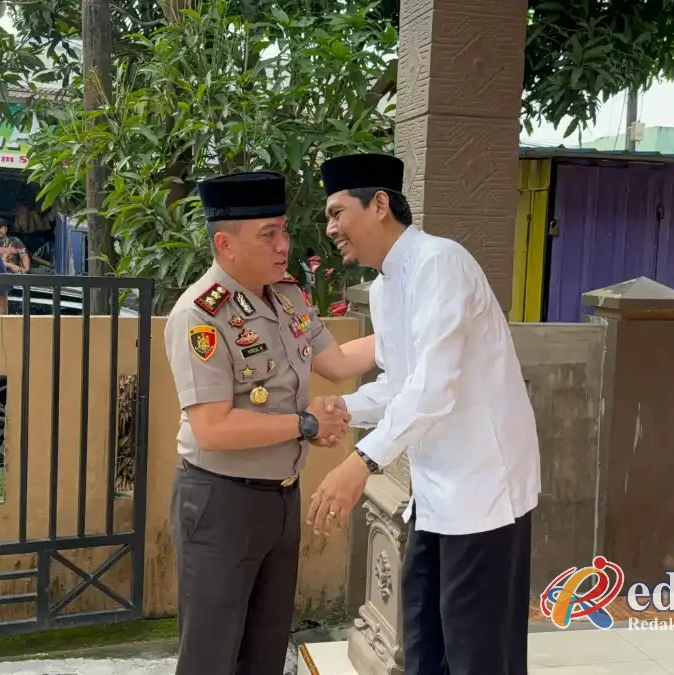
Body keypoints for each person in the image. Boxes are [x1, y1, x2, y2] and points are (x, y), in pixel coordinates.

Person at [307, 153, 541, 675]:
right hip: (435, 492)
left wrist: (360, 463)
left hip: (483, 490)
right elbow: (402, 384)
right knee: (422, 639)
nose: (331, 229)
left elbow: (434, 387)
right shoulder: (385, 287)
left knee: (477, 651)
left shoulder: (441, 262)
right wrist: (343, 409)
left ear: (380, 204)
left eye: (337, 212)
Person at [163, 170, 375, 675]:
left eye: (284, 231)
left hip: (280, 497)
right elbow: (213, 427)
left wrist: (425, 331)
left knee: (265, 651)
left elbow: (339, 362)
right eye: (268, 234)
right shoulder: (200, 315)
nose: (284, 245)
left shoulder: (286, 296)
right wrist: (305, 424)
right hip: (221, 502)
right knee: (211, 657)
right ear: (225, 244)